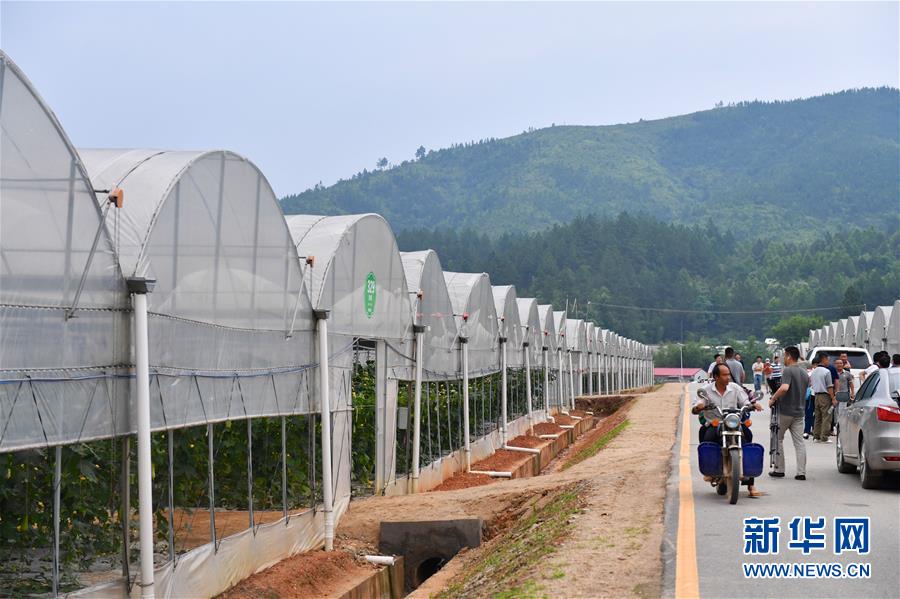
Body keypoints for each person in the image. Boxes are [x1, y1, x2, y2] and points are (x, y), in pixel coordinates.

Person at [692, 363, 763, 497]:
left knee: (748, 440)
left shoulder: (735, 388)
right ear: (716, 376)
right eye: (724, 375)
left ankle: (751, 484)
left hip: (733, 422)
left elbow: (745, 402)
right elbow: (698, 404)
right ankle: (710, 471)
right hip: (715, 424)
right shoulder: (706, 390)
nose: (728, 377)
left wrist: (753, 405)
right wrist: (699, 406)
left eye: (728, 374)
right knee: (707, 439)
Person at [769, 345, 809, 480]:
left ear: (789, 357)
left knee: (778, 439)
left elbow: (785, 388)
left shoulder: (788, 370)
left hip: (785, 411)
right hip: (799, 412)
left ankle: (779, 469)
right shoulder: (804, 373)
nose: (783, 359)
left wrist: (773, 398)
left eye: (784, 356)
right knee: (799, 443)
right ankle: (801, 472)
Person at [810, 354, 836, 443]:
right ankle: (824, 437)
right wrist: (833, 398)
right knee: (827, 416)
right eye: (827, 360)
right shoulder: (826, 371)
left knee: (817, 417)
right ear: (823, 359)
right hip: (825, 396)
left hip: (816, 395)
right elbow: (829, 386)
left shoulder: (813, 371)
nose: (828, 362)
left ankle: (816, 436)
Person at [833, 358, 854, 427]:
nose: (839, 364)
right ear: (835, 364)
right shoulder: (832, 373)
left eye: (841, 363)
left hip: (844, 395)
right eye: (837, 363)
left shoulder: (847, 373)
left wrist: (852, 393)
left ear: (843, 364)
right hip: (835, 395)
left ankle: (841, 426)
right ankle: (836, 426)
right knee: (835, 412)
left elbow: (851, 384)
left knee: (842, 411)